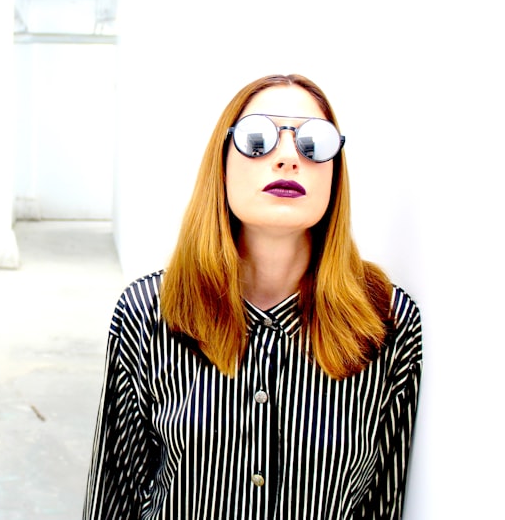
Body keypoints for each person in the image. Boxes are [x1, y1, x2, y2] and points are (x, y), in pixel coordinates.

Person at [83, 74, 422, 520]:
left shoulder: (387, 322)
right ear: (221, 162)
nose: (287, 158)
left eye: (314, 143)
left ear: (335, 174)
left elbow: (384, 503)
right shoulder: (149, 312)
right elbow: (115, 496)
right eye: (257, 139)